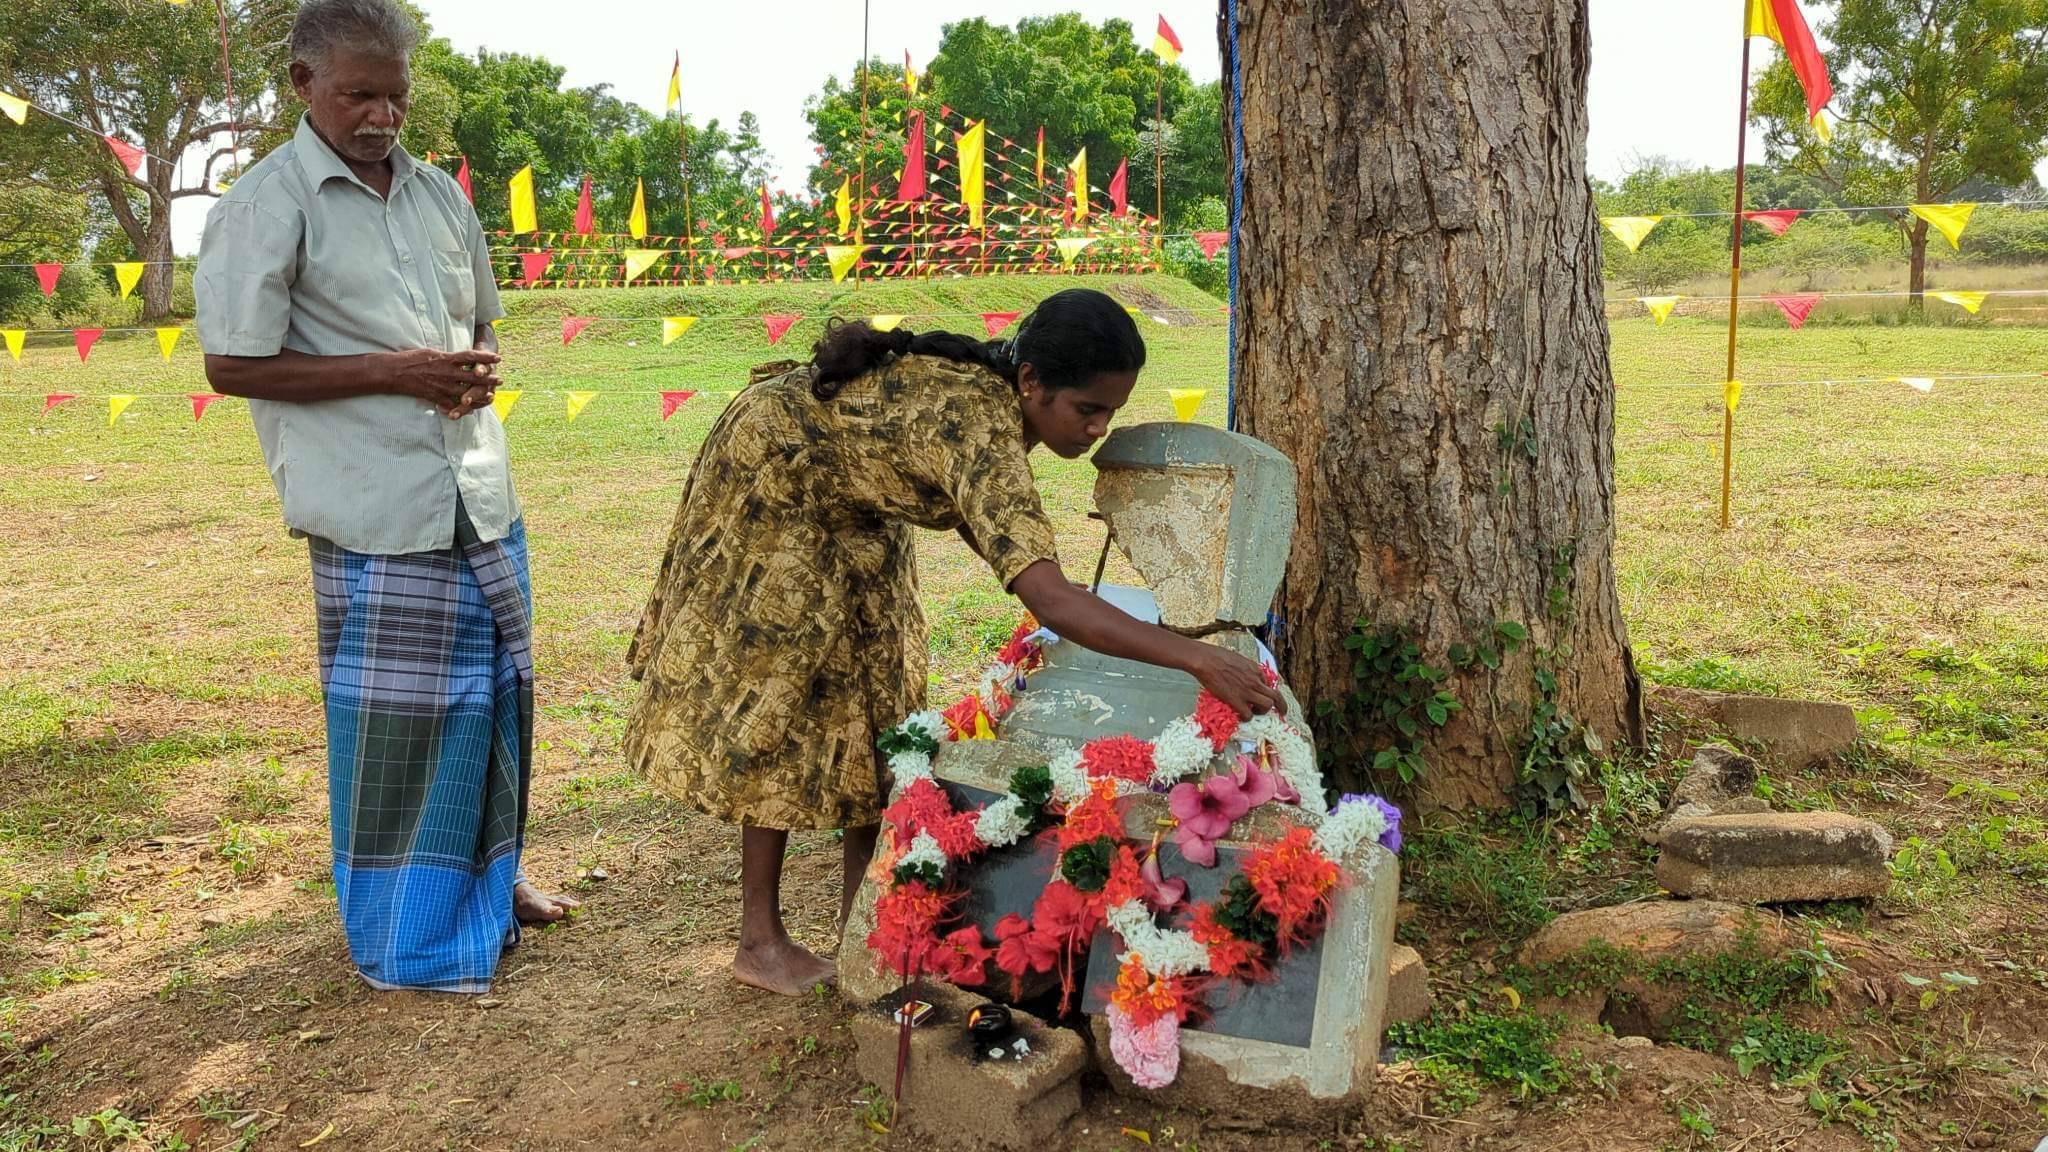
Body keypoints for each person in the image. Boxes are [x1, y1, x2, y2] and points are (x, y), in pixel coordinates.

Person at [624, 289, 1282, 996]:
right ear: (1030, 381)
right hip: (775, 475)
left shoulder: (998, 408)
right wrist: (1196, 657)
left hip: (854, 503)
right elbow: (1051, 598)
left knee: (878, 691)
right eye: (1086, 409)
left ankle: (863, 919)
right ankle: (760, 941)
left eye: (1110, 412)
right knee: (781, 697)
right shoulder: (980, 425)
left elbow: (1013, 553)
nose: (1097, 428)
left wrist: (1133, 619)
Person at [194, 0, 573, 994]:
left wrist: (470, 366)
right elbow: (233, 364)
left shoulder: (439, 196)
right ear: (303, 84)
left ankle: (494, 881)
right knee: (401, 731)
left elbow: (479, 321)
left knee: (497, 702)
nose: (381, 116)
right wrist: (397, 372)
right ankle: (411, 933)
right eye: (359, 94)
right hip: (375, 511)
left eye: (395, 96)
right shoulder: (265, 206)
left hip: (479, 494)